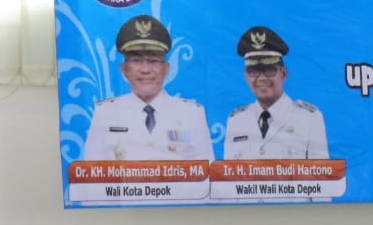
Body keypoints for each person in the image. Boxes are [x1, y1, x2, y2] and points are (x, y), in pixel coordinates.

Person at [82, 15, 212, 161]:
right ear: (124, 69)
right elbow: (91, 173)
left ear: (166, 69)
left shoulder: (192, 114)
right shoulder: (106, 113)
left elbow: (205, 172)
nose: (145, 70)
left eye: (153, 61)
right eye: (136, 60)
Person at [223, 26, 328, 159]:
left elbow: (320, 171)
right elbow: (229, 171)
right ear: (246, 75)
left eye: (269, 70)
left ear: (283, 73)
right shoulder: (236, 121)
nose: (261, 78)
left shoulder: (309, 119)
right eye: (254, 71)